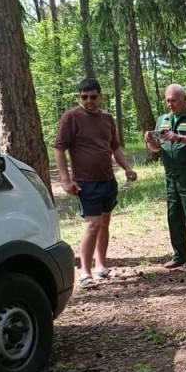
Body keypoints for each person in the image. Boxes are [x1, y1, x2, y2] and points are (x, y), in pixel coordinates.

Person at [54, 78, 137, 288]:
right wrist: (66, 180)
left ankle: (101, 266)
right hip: (85, 182)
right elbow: (59, 148)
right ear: (79, 97)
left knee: (104, 223)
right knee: (92, 224)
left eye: (93, 97)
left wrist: (127, 168)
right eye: (84, 97)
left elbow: (114, 147)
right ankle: (85, 272)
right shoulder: (71, 117)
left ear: (100, 96)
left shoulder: (107, 118)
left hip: (108, 179)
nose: (89, 101)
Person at [144, 84, 186, 269]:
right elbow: (156, 149)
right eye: (168, 100)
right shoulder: (163, 119)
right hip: (170, 176)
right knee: (173, 215)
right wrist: (151, 142)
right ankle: (180, 255)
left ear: (184, 99)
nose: (170, 104)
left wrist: (179, 138)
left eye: (174, 100)